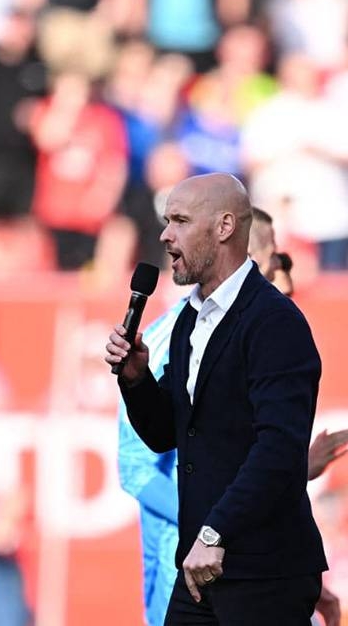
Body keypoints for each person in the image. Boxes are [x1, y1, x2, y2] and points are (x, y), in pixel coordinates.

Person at [106, 173, 327, 623]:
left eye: (180, 221)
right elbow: (166, 434)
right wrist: (137, 380)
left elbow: (278, 448)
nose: (165, 235)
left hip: (264, 573)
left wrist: (215, 531)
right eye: (167, 221)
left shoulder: (274, 322)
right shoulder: (191, 319)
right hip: (201, 570)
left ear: (224, 227)